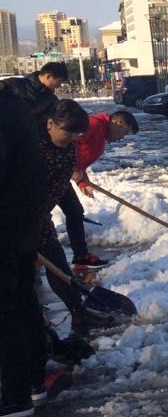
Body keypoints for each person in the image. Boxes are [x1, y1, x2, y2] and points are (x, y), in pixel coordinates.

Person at [34, 100, 108, 333]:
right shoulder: (30, 149)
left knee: (58, 264)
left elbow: (57, 187)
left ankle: (78, 313)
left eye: (77, 133)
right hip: (15, 220)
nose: (73, 137)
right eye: (68, 131)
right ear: (50, 124)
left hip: (39, 217)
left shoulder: (68, 150)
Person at [0, 88, 51, 417]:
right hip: (21, 222)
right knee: (21, 299)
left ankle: (14, 395)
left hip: (6, 223)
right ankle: (33, 382)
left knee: (6, 308)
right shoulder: (13, 109)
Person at [64, 108, 138, 269]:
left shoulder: (100, 132)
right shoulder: (94, 124)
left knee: (74, 212)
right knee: (56, 214)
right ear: (118, 122)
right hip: (52, 173)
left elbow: (80, 158)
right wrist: (72, 168)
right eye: (124, 132)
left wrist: (82, 182)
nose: (122, 138)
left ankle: (81, 256)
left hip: (61, 174)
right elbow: (69, 142)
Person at [0, 61, 68, 120]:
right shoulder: (16, 85)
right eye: (59, 82)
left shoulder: (51, 100)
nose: (59, 86)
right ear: (48, 76)